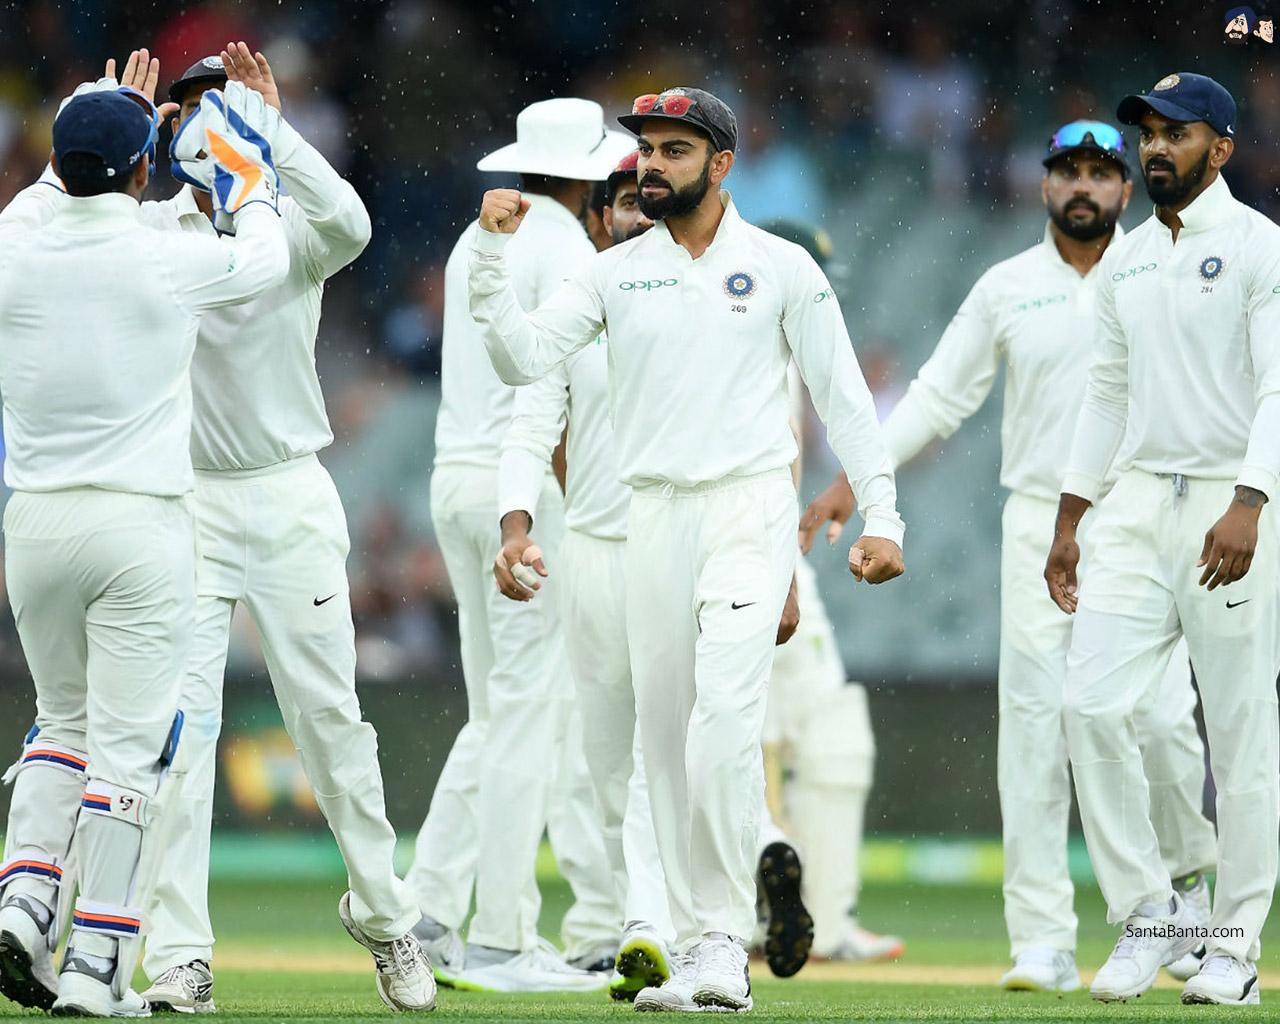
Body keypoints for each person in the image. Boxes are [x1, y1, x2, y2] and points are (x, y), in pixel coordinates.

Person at [469, 86, 905, 1013]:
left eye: (674, 150)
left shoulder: (783, 266)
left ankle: (723, 930)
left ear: (722, 163)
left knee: (721, 727)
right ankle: (700, 936)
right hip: (651, 517)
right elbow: (522, 361)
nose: (654, 166)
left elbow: (845, 398)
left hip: (749, 511)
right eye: (647, 151)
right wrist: (489, 264)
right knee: (661, 748)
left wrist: (884, 516)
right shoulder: (613, 273)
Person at [802, 121, 1221, 991]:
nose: (1083, 187)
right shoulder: (1007, 287)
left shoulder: (1160, 270)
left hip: (1146, 515)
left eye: (1101, 173)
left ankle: (1192, 907)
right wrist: (857, 477)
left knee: (1164, 725)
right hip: (1039, 522)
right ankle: (1044, 940)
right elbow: (938, 395)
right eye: (1067, 171)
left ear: (1126, 188)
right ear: (1042, 187)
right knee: (1034, 730)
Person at [79, 47, 431, 1014]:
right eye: (190, 112)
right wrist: (108, 115)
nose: (204, 127)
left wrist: (273, 131)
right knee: (177, 742)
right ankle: (179, 957)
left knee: (332, 726)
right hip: (182, 501)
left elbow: (354, 224)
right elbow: (63, 217)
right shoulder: (148, 230)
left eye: (219, 110)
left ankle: (388, 918)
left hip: (286, 493)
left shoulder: (291, 227)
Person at [0, 80, 287, 1017]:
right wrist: (239, 155)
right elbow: (267, 251)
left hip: (34, 522)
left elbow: (51, 193)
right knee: (131, 749)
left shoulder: (14, 241)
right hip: (139, 524)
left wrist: (100, 109)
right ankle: (96, 964)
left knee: (60, 723)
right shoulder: (167, 250)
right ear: (139, 170)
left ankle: (26, 899)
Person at [1045, 73, 1280, 1006]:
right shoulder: (1129, 260)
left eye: (1174, 135)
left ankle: (1234, 943)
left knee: (1239, 734)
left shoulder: (1262, 247)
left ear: (1219, 149)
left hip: (1232, 503)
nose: (1153, 150)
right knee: (1090, 708)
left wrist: (1252, 500)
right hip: (1137, 503)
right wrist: (1071, 516)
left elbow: (1277, 389)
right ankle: (1151, 912)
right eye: (1146, 134)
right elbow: (1106, 391)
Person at [409, 97, 632, 993]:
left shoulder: (482, 237)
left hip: (454, 481)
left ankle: (423, 910)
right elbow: (564, 399)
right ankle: (502, 939)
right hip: (524, 494)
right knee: (527, 719)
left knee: (499, 717)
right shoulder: (572, 247)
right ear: (589, 171)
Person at [493, 149, 677, 1004]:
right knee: (608, 760)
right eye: (626, 206)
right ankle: (637, 918)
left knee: (674, 748)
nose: (641, 217)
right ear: (602, 218)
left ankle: (667, 923)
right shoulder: (585, 299)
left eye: (652, 203)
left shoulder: (711, 295)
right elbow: (532, 416)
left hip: (684, 544)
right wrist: (516, 528)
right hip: (596, 552)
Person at [758, 219, 905, 969]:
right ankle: (797, 917)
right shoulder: (763, 331)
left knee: (774, 738)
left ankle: (776, 913)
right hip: (761, 558)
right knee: (788, 739)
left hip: (757, 554)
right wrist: (780, 567)